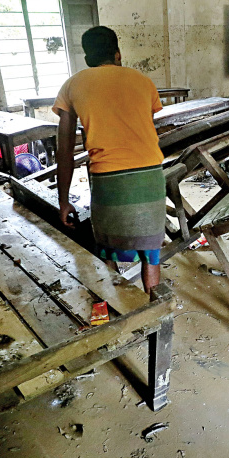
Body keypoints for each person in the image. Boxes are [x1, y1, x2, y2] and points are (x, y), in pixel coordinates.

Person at [52, 26, 165, 295]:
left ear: (87, 57)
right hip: (149, 178)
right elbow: (143, 130)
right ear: (117, 54)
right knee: (151, 254)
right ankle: (156, 314)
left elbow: (64, 151)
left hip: (108, 182)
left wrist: (63, 199)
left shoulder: (72, 85)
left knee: (108, 255)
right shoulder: (143, 81)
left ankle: (118, 313)